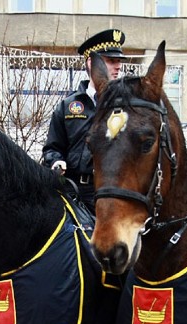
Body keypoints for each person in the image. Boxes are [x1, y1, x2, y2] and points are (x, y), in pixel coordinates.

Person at [42, 29, 126, 210]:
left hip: (114, 193)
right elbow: (52, 148)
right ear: (91, 63)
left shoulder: (126, 105)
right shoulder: (68, 106)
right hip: (75, 191)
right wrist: (56, 161)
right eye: (111, 61)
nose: (118, 66)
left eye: (119, 61)